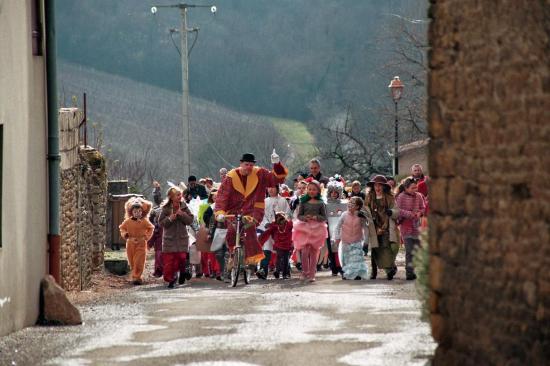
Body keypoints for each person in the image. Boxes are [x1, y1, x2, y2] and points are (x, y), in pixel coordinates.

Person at [214, 151, 288, 265]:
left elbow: (277, 179)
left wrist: (277, 164)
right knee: (231, 231)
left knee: (249, 227)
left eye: (251, 165)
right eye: (246, 164)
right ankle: (233, 254)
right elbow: (222, 196)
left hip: (254, 210)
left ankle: (251, 258)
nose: (249, 167)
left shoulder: (260, 174)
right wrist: (220, 212)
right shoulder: (230, 177)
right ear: (241, 164)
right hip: (233, 211)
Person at [364, 175, 400, 280]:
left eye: (380, 185)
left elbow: (396, 210)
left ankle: (389, 269)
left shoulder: (389, 197)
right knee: (375, 249)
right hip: (374, 226)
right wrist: (364, 215)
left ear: (384, 187)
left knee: (388, 248)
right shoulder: (369, 196)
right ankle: (374, 271)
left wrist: (391, 212)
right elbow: (365, 209)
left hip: (387, 226)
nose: (378, 187)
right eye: (376, 185)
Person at [159, 186, 195, 288]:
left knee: (182, 259)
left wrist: (182, 214)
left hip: (182, 238)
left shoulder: (184, 206)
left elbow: (190, 220)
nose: (180, 197)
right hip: (169, 240)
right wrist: (170, 218)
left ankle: (182, 273)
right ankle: (171, 279)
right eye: (177, 195)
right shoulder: (165, 208)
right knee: (169, 262)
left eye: (180, 194)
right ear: (171, 197)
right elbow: (161, 223)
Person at [292, 180, 328, 282]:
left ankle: (312, 274)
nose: (312, 191)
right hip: (304, 227)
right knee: (304, 251)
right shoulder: (303, 202)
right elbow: (299, 215)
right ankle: (305, 272)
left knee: (314, 252)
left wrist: (316, 217)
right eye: (310, 189)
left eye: (314, 189)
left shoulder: (321, 203)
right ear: (307, 190)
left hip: (317, 228)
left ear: (318, 191)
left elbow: (324, 217)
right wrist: (305, 218)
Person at [257, 185, 291, 279]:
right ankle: (263, 270)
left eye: (273, 187)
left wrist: (282, 223)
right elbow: (262, 215)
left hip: (280, 230)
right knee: (266, 249)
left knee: (282, 251)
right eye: (269, 187)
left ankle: (286, 271)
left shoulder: (283, 200)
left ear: (277, 188)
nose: (271, 189)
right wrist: (267, 223)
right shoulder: (265, 201)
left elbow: (287, 214)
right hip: (268, 229)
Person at [119, 197, 155, 285]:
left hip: (141, 243)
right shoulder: (127, 221)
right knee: (132, 261)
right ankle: (135, 275)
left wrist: (146, 237)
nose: (137, 213)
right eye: (135, 212)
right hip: (130, 244)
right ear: (132, 212)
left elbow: (151, 228)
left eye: (139, 211)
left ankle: (137, 277)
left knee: (139, 260)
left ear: (142, 212)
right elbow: (122, 228)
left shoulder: (144, 221)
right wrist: (125, 234)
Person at [396, 178, 426, 280]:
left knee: (417, 250)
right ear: (406, 188)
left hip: (417, 226)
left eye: (416, 187)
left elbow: (423, 207)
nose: (415, 189)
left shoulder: (419, 196)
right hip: (405, 227)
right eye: (412, 187)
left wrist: (419, 213)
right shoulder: (401, 197)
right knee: (409, 250)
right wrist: (410, 214)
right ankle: (409, 272)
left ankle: (415, 270)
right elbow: (398, 210)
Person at [334, 196, 369, 280]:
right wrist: (337, 237)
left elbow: (366, 228)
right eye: (349, 202)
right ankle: (346, 273)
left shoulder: (361, 217)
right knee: (346, 258)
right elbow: (337, 227)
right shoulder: (344, 215)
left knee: (356, 258)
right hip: (346, 240)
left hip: (357, 240)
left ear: (357, 206)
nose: (350, 204)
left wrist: (366, 241)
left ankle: (356, 274)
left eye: (353, 203)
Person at [258, 212, 294, 279]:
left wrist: (260, 239)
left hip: (281, 245)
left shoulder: (277, 226)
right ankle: (282, 273)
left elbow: (267, 232)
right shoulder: (285, 225)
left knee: (280, 259)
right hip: (282, 245)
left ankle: (280, 273)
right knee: (282, 259)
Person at [325, 178, 347, 276]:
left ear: (339, 193)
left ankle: (341, 266)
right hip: (329, 229)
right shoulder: (325, 204)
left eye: (336, 192)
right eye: (332, 192)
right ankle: (333, 267)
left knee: (340, 248)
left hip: (341, 229)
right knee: (331, 250)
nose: (334, 194)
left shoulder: (344, 204)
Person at [148, 184, 164, 277]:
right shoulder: (154, 212)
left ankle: (166, 270)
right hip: (158, 241)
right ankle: (158, 270)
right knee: (158, 256)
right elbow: (154, 231)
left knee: (165, 257)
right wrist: (150, 243)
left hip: (166, 241)